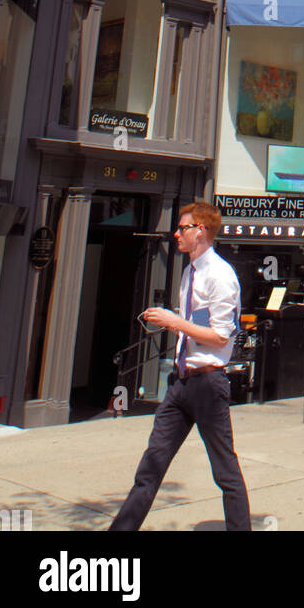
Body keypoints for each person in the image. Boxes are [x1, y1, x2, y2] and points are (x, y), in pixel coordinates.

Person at [108, 201, 251, 531]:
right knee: (152, 465)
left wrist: (177, 321)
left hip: (208, 384)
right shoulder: (190, 272)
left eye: (182, 228)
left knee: (225, 471)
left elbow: (219, 336)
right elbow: (199, 325)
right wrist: (175, 323)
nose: (176, 234)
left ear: (200, 231)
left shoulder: (221, 276)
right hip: (181, 383)